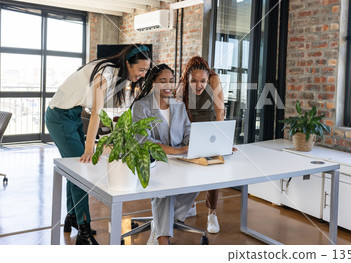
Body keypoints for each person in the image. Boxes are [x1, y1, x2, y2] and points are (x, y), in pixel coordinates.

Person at [45, 44, 151, 245]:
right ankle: (84, 232)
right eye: (141, 70)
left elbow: (103, 111)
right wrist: (89, 147)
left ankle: (73, 217)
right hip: (59, 116)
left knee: (73, 169)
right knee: (81, 171)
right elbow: (95, 113)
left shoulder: (115, 73)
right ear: (128, 63)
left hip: (73, 113)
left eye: (146, 71)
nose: (143, 75)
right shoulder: (106, 73)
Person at [132, 64, 198, 245]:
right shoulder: (141, 107)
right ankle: (163, 239)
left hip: (179, 159)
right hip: (153, 161)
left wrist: (194, 145)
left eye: (171, 81)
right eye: (163, 81)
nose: (168, 85)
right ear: (153, 83)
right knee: (165, 191)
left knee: (199, 179)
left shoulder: (178, 105)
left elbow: (187, 130)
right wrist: (177, 150)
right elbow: (144, 141)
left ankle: (161, 224)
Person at [177, 56, 225, 234]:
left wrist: (222, 140)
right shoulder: (182, 86)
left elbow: (220, 110)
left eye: (202, 81)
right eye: (194, 81)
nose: (198, 86)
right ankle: (189, 205)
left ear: (208, 77)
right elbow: (178, 113)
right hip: (190, 130)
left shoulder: (214, 79)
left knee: (213, 171)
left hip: (210, 129)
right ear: (187, 78)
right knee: (187, 170)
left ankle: (212, 213)